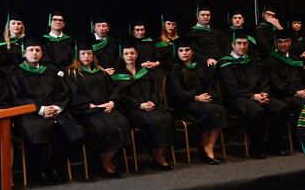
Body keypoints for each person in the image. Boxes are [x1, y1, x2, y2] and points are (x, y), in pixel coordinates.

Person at [9, 35, 85, 184]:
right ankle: (38, 171)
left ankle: (54, 167)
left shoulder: (49, 72)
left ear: (42, 53)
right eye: (31, 50)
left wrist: (57, 107)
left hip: (55, 113)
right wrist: (41, 109)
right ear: (24, 53)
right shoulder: (15, 74)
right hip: (31, 115)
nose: (34, 53)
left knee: (77, 133)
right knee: (37, 135)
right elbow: (17, 98)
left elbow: (63, 92)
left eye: (37, 50)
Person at [218, 29, 290, 158]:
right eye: (239, 43)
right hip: (238, 98)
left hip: (258, 96)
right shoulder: (225, 64)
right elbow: (232, 88)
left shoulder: (253, 61)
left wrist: (264, 93)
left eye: (245, 43)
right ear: (232, 45)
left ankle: (274, 145)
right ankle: (257, 148)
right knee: (257, 111)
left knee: (282, 108)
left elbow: (264, 80)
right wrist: (253, 96)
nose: (242, 46)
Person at [66, 38, 131, 177]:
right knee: (102, 127)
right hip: (88, 111)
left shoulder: (101, 71)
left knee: (123, 123)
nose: (86, 56)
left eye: (89, 53)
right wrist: (92, 105)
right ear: (78, 55)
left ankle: (105, 159)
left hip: (106, 108)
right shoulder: (73, 74)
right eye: (83, 53)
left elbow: (114, 89)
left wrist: (112, 102)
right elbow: (74, 94)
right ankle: (104, 162)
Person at [111, 38, 174, 170]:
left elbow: (155, 89)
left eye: (132, 53)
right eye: (126, 54)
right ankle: (152, 152)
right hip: (133, 109)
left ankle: (159, 154)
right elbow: (120, 96)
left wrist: (153, 101)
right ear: (122, 56)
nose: (130, 56)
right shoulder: (118, 75)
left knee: (166, 118)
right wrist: (139, 105)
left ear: (137, 54)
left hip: (151, 105)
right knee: (150, 121)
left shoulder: (145, 72)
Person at [166, 37, 227, 164]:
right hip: (184, 103)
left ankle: (208, 146)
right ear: (177, 53)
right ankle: (205, 149)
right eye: (181, 50)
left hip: (200, 101)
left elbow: (209, 85)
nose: (184, 52)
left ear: (192, 52)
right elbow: (178, 93)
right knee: (208, 110)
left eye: (187, 50)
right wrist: (196, 97)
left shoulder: (199, 67)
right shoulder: (174, 70)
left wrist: (208, 95)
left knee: (220, 110)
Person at [262, 29, 305, 123]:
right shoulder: (270, 62)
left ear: (290, 42)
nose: (283, 44)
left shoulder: (295, 59)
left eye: (286, 41)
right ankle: (301, 135)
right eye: (280, 42)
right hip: (283, 96)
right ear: (275, 43)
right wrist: (296, 93)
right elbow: (277, 86)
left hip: (300, 93)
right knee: (304, 104)